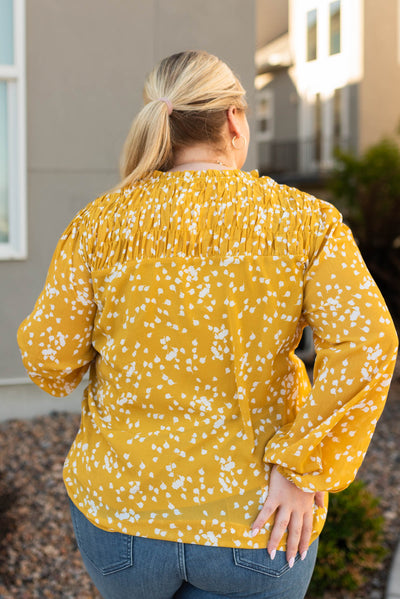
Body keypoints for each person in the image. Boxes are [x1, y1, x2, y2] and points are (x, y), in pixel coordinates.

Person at [17, 50, 398, 599]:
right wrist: (301, 468)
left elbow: (50, 362)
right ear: (234, 120)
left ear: (163, 127)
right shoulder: (304, 221)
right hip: (258, 520)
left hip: (123, 522)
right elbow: (369, 345)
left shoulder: (99, 224)